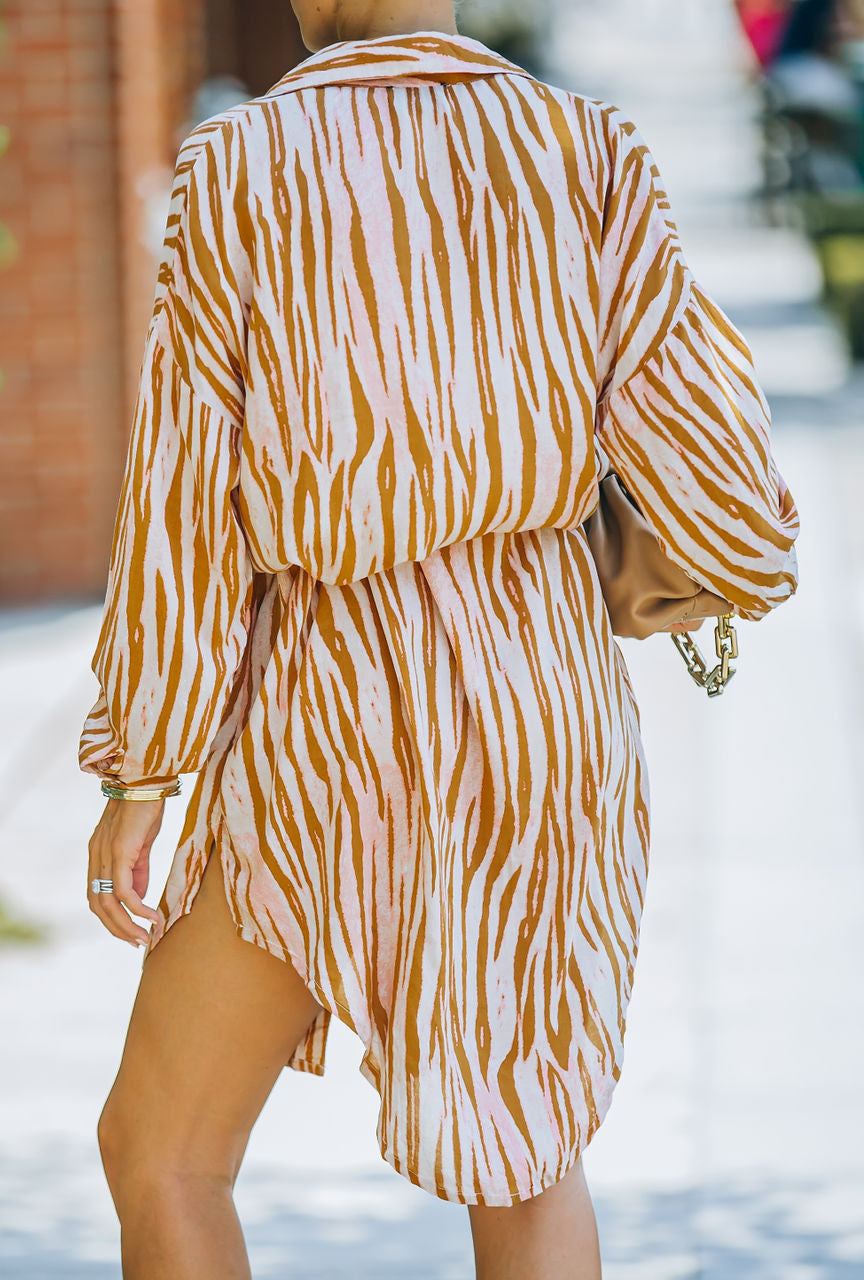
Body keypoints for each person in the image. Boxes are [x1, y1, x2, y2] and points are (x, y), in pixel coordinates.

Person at [79, 2, 801, 1276]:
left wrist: (145, 763)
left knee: (165, 1148)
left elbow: (186, 501)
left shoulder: (242, 167)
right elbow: (728, 493)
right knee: (525, 1161)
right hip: (540, 701)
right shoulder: (583, 151)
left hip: (330, 707)